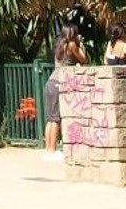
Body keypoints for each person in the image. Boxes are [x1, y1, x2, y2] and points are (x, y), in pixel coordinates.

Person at [44, 25, 87, 159]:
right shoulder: (72, 45)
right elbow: (83, 59)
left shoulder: (59, 45)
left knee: (50, 119)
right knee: (56, 119)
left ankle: (48, 150)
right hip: (59, 84)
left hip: (50, 82)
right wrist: (81, 44)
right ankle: (52, 150)